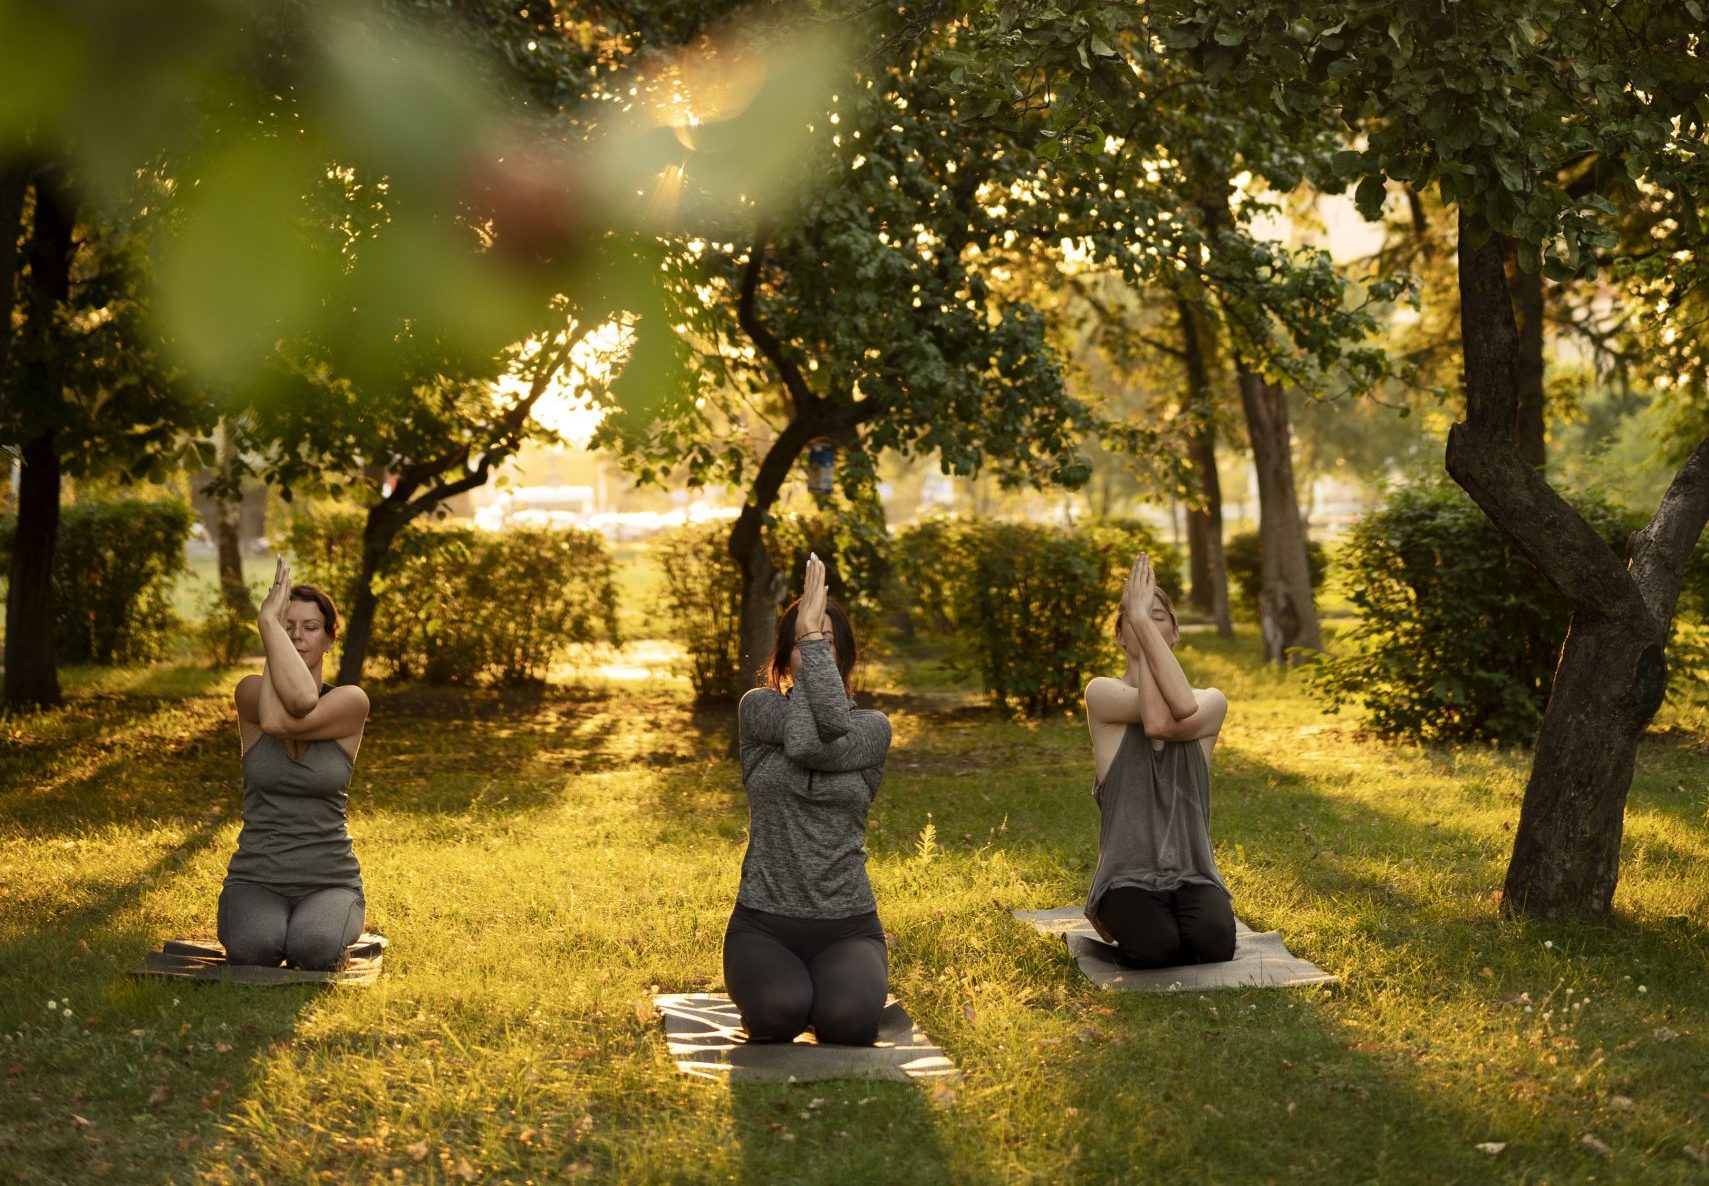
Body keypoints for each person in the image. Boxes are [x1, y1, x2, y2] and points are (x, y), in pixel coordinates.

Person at [724, 553, 893, 1045]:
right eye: (801, 643)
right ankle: (786, 989)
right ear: (781, 658)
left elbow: (818, 738)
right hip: (763, 924)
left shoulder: (872, 730)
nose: (816, 650)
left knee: (850, 1023)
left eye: (826, 643)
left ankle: (830, 989)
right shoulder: (758, 711)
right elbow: (803, 738)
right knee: (778, 1014)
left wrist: (811, 641)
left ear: (844, 658)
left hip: (848, 925)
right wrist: (810, 643)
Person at [1081, 552, 1236, 969]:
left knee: (1214, 946)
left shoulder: (1212, 701)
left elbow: (1170, 717)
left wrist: (1140, 619)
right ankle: (1127, 917)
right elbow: (1154, 720)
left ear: (1175, 633)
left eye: (1156, 617)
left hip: (1193, 873)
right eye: (1134, 618)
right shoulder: (1102, 695)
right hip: (1126, 878)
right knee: (1155, 950)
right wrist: (1146, 627)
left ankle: (1177, 917)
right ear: (1119, 636)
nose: (1146, 623)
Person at [219, 559, 370, 970]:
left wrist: (268, 623)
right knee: (254, 949)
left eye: (310, 628)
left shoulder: (350, 702)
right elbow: (274, 712)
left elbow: (290, 713)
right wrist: (272, 631)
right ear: (272, 635)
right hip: (255, 878)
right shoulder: (249, 692)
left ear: (329, 639)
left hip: (330, 881)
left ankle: (320, 922)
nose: (297, 638)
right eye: (286, 627)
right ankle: (266, 921)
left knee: (315, 949)